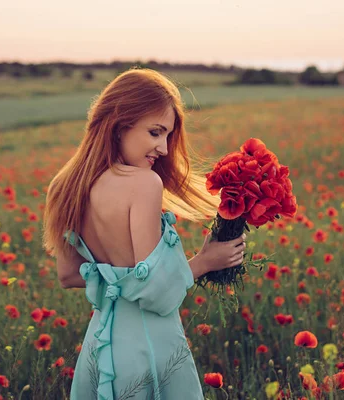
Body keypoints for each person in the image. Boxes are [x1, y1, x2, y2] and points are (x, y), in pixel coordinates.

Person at [43, 68, 246, 400]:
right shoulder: (142, 183)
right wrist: (206, 261)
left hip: (100, 345)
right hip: (146, 345)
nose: (164, 149)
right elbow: (157, 290)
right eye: (155, 132)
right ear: (120, 122)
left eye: (166, 136)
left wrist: (120, 280)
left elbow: (68, 275)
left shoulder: (63, 187)